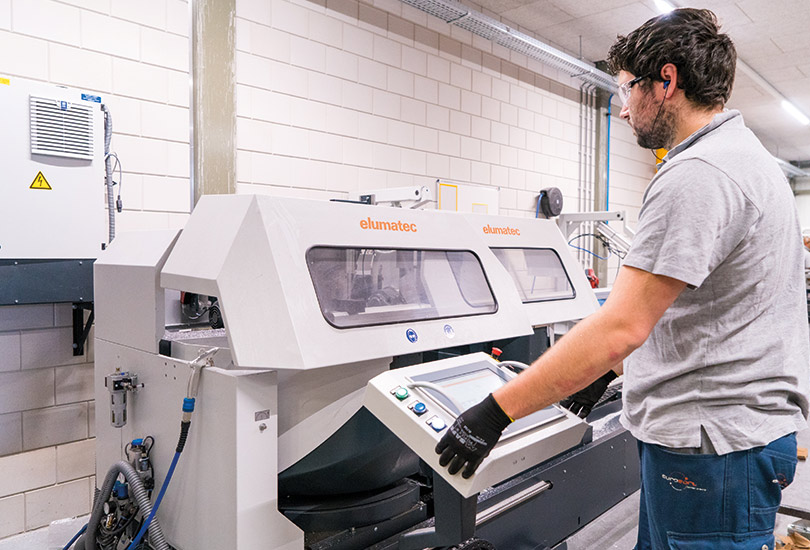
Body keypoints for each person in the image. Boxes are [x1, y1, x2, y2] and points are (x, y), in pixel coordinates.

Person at [435, 8, 810, 549]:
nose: (621, 106)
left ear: (666, 81)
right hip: (723, 436)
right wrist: (600, 373)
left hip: (714, 448)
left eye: (628, 88)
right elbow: (681, 309)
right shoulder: (745, 159)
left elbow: (622, 325)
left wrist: (496, 412)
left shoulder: (698, 174)